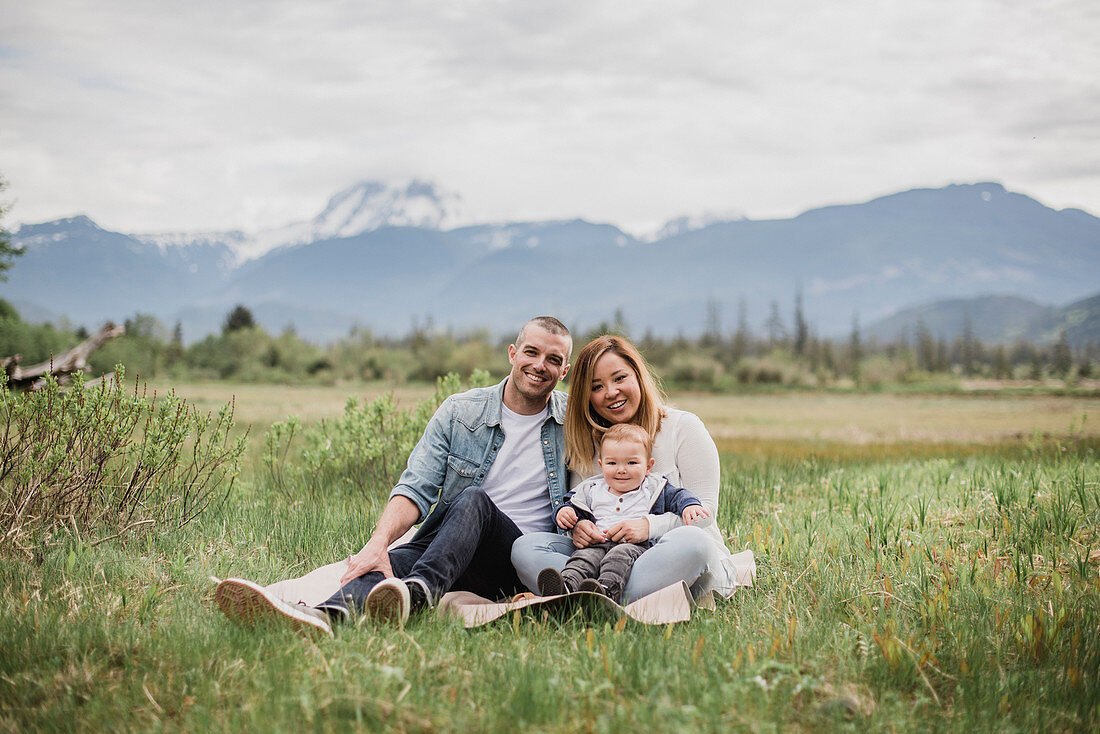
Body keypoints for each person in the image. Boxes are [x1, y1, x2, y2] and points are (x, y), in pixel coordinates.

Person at [216, 316, 573, 635]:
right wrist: (378, 542)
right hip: (449, 547)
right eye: (532, 352)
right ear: (513, 353)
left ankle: (416, 597)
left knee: (473, 500)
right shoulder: (461, 411)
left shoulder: (574, 422)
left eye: (553, 360)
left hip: (511, 561)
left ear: (565, 371)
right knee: (384, 564)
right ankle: (325, 617)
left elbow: (625, 449)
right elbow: (415, 487)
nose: (539, 365)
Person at [512, 334, 745, 603]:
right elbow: (583, 506)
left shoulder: (683, 428)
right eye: (597, 387)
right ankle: (597, 596)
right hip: (603, 556)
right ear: (586, 397)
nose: (611, 392)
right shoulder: (590, 445)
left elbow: (704, 516)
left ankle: (588, 599)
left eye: (619, 378)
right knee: (525, 547)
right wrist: (580, 527)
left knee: (695, 544)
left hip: (667, 555)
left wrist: (649, 527)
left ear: (637, 376)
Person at [536, 423, 709, 602]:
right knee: (582, 558)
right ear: (601, 465)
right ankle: (566, 587)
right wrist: (564, 512)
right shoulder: (592, 488)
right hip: (598, 542)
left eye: (632, 463)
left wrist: (689, 505)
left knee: (617, 558)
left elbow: (678, 496)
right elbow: (570, 503)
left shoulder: (653, 487)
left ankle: (605, 592)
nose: (621, 469)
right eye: (612, 463)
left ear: (648, 466)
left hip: (635, 546)